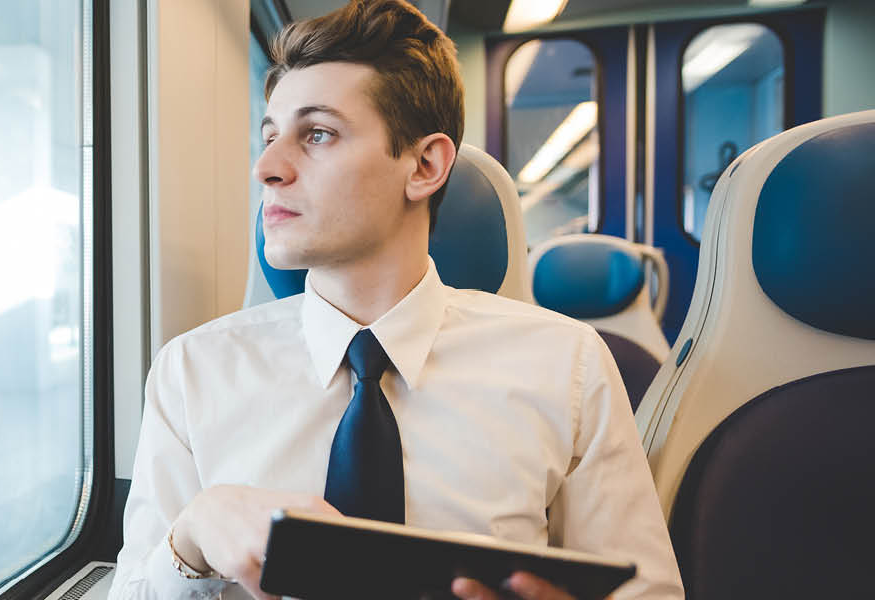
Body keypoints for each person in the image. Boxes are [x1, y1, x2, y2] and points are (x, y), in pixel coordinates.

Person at [108, 1, 684, 599]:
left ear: (425, 164)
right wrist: (191, 542)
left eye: (318, 134)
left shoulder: (566, 366)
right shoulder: (192, 373)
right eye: (271, 135)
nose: (267, 168)